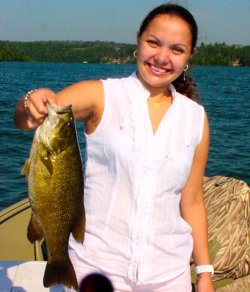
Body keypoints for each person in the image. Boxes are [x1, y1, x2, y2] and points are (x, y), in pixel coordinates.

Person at [14, 3, 214, 292]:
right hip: (95, 269)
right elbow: (27, 119)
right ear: (138, 40)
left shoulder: (196, 118)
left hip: (170, 275)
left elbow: (192, 202)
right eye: (153, 43)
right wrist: (31, 101)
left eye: (177, 49)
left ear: (190, 56)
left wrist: (205, 273)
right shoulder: (101, 95)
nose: (162, 57)